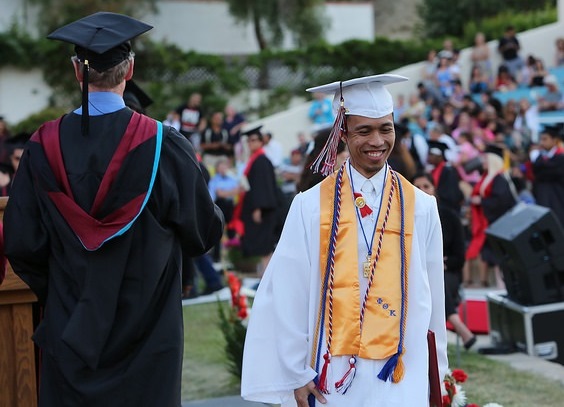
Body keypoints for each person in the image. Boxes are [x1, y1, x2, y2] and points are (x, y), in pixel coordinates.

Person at [3, 12, 224, 407]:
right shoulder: (164, 145)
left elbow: (21, 242)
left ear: (76, 71)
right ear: (130, 69)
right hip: (149, 334)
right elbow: (203, 233)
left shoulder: (41, 147)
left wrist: (64, 292)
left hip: (71, 329)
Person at [241, 74, 448, 406]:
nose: (377, 141)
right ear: (343, 133)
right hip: (330, 373)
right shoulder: (309, 207)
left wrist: (439, 371)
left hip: (401, 368)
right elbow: (288, 292)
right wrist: (297, 372)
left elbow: (434, 297)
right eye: (364, 131)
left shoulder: (421, 207)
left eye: (385, 128)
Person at [412, 172, 476, 350]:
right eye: (417, 187)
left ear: (434, 189)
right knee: (426, 281)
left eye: (426, 186)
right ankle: (459, 326)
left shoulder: (450, 217)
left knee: (437, 282)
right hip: (416, 273)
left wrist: (440, 263)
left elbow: (460, 258)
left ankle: (457, 327)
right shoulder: (405, 217)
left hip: (448, 272)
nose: (422, 191)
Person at [229, 126, 279, 277]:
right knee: (262, 246)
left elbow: (263, 186)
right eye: (248, 141)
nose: (250, 143)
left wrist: (259, 208)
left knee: (265, 246)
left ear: (261, 142)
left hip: (263, 210)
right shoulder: (254, 160)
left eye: (254, 140)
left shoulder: (261, 161)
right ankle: (265, 275)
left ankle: (267, 276)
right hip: (256, 207)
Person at [464, 144, 517, 288]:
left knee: (499, 255)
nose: (483, 163)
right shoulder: (487, 178)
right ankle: (486, 282)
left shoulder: (499, 179)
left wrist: (481, 201)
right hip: (488, 221)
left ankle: (502, 285)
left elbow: (501, 201)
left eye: (486, 160)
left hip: (498, 222)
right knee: (486, 253)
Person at [531, 126, 564, 226]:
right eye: (541, 139)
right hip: (542, 197)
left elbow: (548, 172)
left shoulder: (560, 157)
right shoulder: (541, 157)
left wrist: (542, 165)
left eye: (545, 139)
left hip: (558, 198)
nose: (541, 143)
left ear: (554, 140)